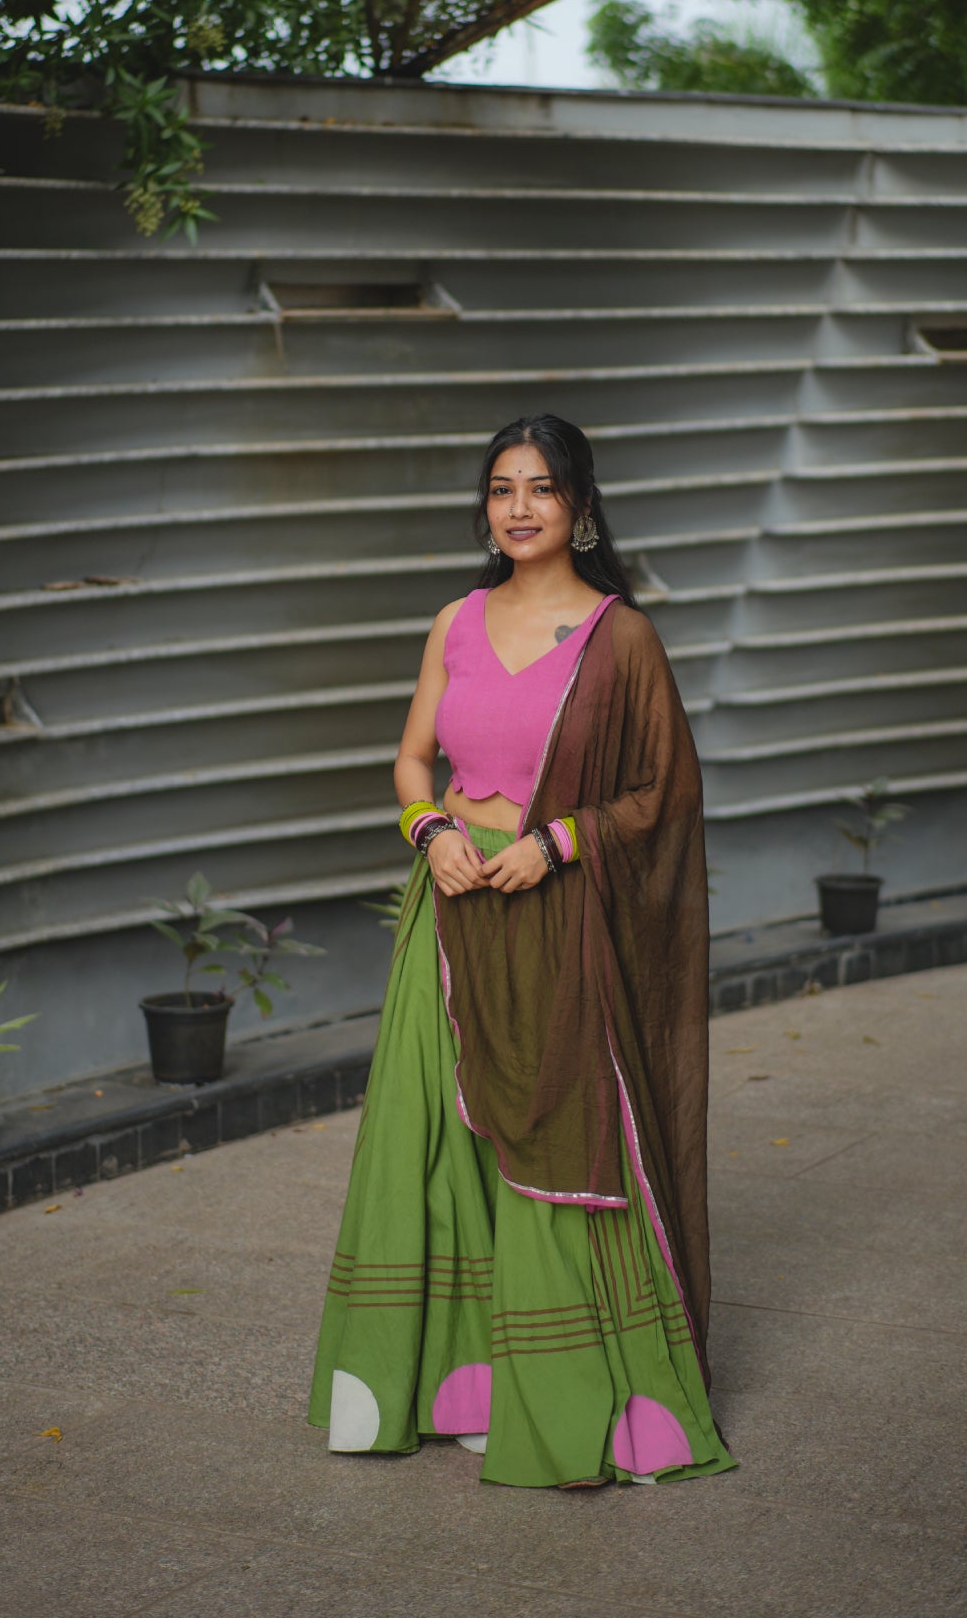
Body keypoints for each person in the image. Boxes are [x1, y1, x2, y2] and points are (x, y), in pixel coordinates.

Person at [308, 414, 736, 1489]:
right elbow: (411, 759)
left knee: (561, 1138)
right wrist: (431, 832)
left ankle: (582, 1397)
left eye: (541, 488)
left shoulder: (617, 637)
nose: (518, 506)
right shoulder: (453, 619)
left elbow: (663, 793)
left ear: (580, 507)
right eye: (501, 487)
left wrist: (557, 841)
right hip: (448, 916)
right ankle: (452, 1381)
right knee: (433, 1147)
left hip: (558, 916)